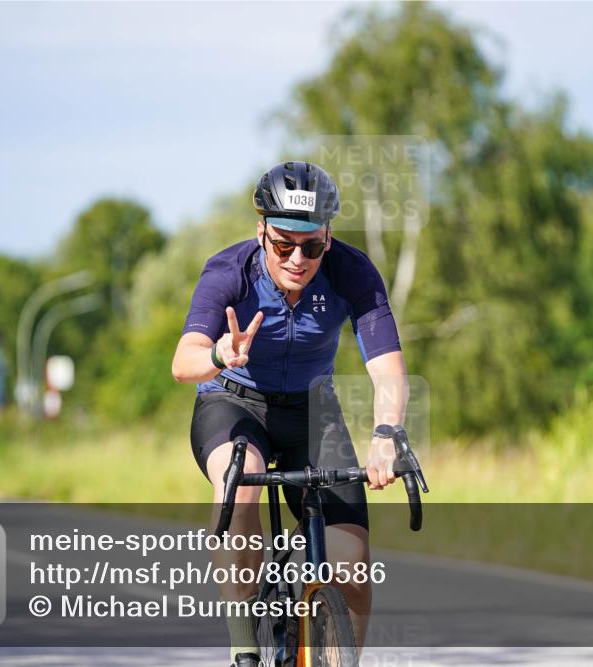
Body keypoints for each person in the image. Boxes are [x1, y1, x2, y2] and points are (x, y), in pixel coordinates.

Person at [172, 161, 409, 666]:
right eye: (283, 246)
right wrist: (219, 354)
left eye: (312, 247)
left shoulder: (352, 272)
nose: (298, 259)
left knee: (351, 561)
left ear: (328, 237)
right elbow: (183, 362)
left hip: (311, 410)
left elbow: (388, 370)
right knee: (242, 482)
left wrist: (387, 433)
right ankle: (244, 647)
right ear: (261, 232)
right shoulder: (229, 271)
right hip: (233, 402)